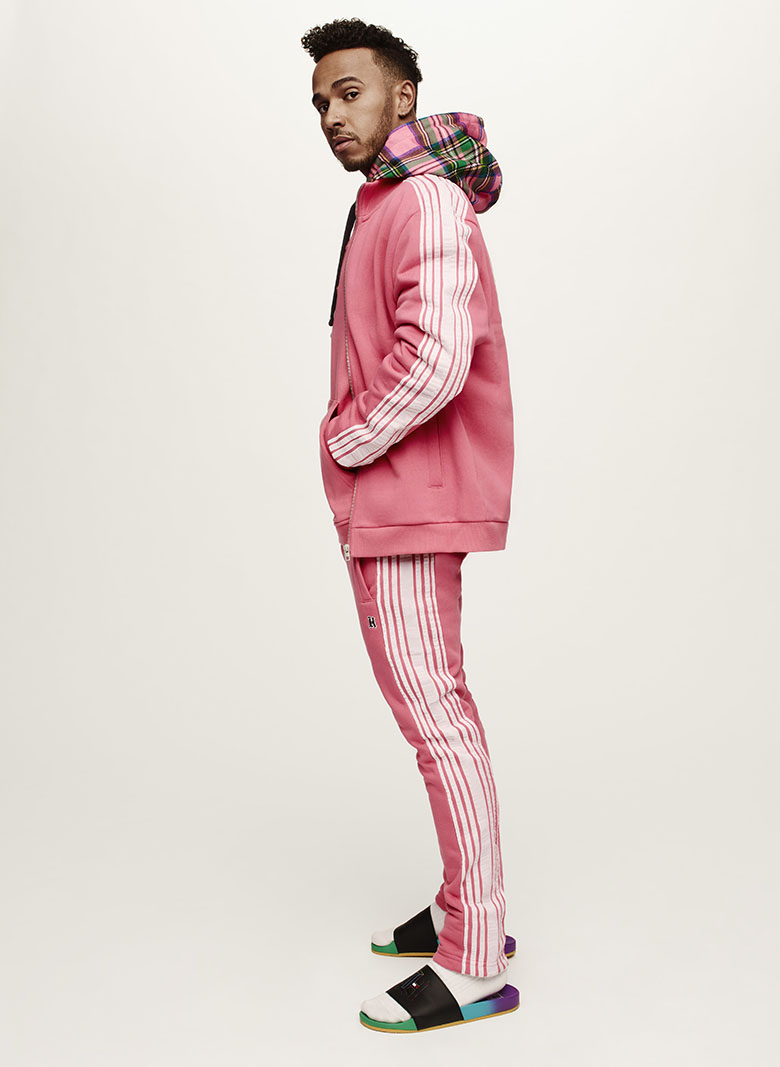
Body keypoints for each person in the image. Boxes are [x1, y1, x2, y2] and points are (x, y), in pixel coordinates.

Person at [301, 18, 519, 1033]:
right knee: (433, 710)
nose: (331, 114)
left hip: (407, 497)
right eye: (319, 103)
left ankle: (474, 956)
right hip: (393, 499)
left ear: (403, 96)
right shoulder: (384, 198)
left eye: (349, 92)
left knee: (436, 717)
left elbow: (436, 357)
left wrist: (346, 439)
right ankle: (462, 903)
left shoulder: (422, 198)